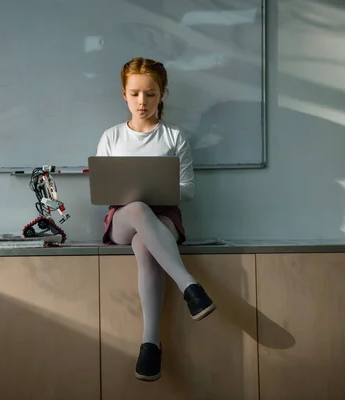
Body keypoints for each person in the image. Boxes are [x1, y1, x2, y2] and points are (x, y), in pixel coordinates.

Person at [95, 57, 216, 382]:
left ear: (161, 94)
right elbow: (103, 189)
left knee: (145, 245)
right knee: (135, 208)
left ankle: (150, 345)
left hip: (164, 219)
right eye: (135, 93)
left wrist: (157, 192)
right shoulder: (111, 137)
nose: (142, 101)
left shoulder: (174, 137)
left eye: (150, 94)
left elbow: (188, 190)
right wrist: (136, 196)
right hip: (121, 218)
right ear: (124, 94)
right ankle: (189, 286)